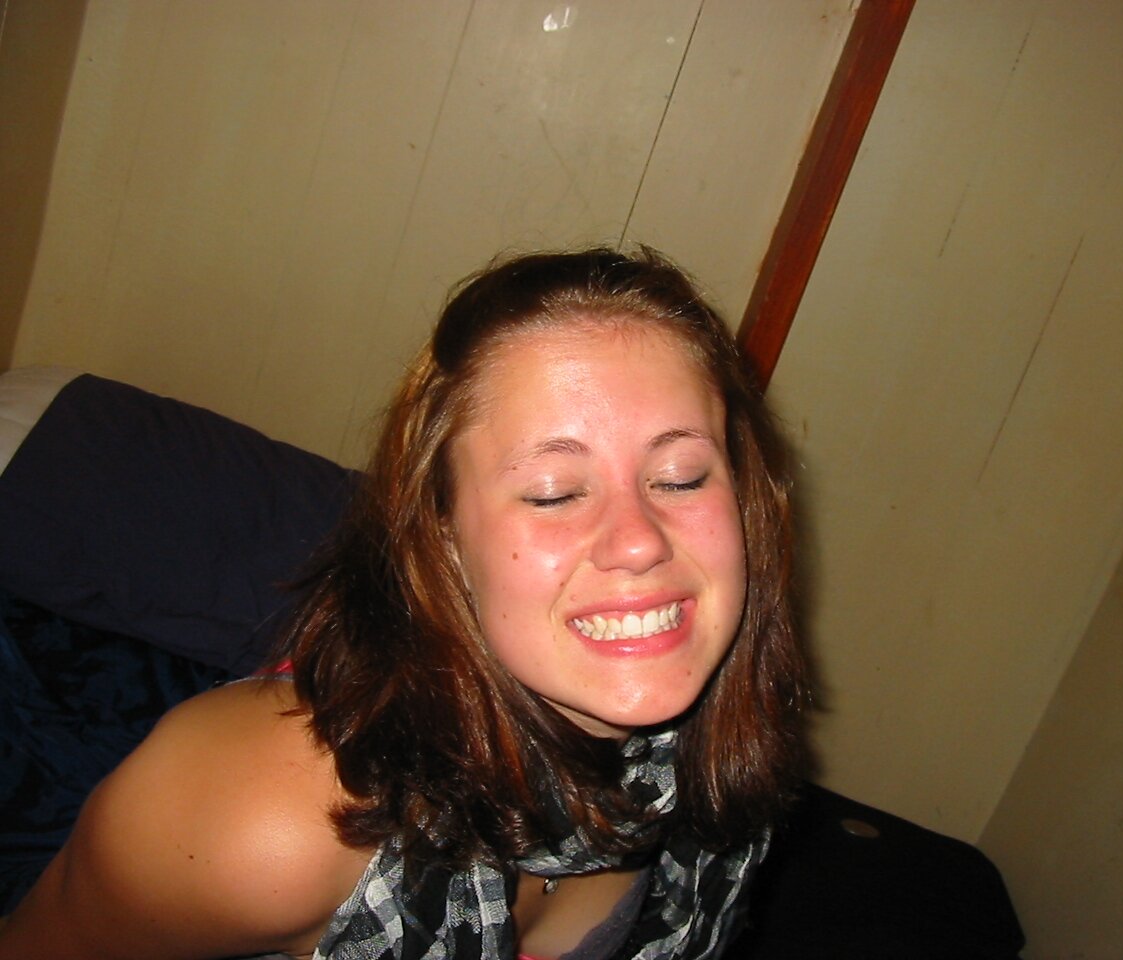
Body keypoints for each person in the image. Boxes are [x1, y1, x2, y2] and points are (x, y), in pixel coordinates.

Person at [0, 247, 807, 960]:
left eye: (681, 478)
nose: (638, 543)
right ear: (441, 534)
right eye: (554, 492)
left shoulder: (724, 729)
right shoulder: (265, 822)